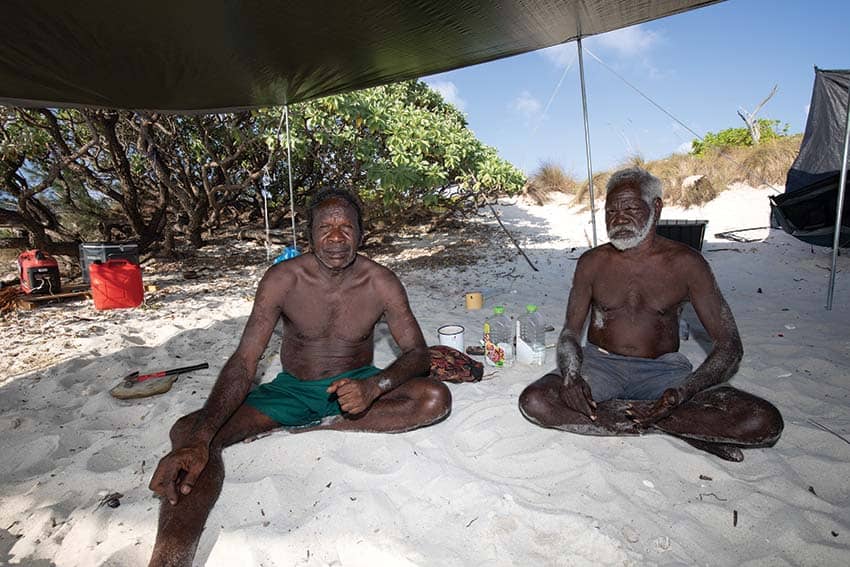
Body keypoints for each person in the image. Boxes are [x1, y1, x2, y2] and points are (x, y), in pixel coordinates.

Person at [147, 188, 451, 567]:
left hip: (355, 387)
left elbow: (418, 354)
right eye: (325, 228)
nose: (336, 238)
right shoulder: (283, 279)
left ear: (362, 234)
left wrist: (375, 387)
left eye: (347, 228)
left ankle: (325, 424)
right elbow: (245, 361)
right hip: (291, 390)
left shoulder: (381, 282)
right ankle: (168, 561)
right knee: (191, 432)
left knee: (434, 399)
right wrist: (202, 437)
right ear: (308, 235)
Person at [519, 167, 783, 462]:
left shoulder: (687, 264)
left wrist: (682, 392)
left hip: (664, 372)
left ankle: (639, 416)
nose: (618, 218)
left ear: (655, 207)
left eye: (630, 207)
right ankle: (672, 426)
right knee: (535, 401)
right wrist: (570, 376)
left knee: (764, 422)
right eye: (611, 211)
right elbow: (570, 333)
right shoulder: (591, 263)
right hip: (600, 365)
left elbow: (729, 346)